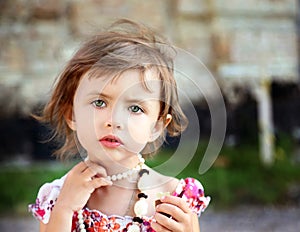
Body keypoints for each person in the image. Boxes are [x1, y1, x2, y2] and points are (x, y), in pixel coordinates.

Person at [29, 19, 210, 232]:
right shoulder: (60, 196)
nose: (114, 121)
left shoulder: (173, 197)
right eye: (99, 102)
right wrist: (65, 209)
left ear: (157, 126)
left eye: (135, 108)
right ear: (72, 115)